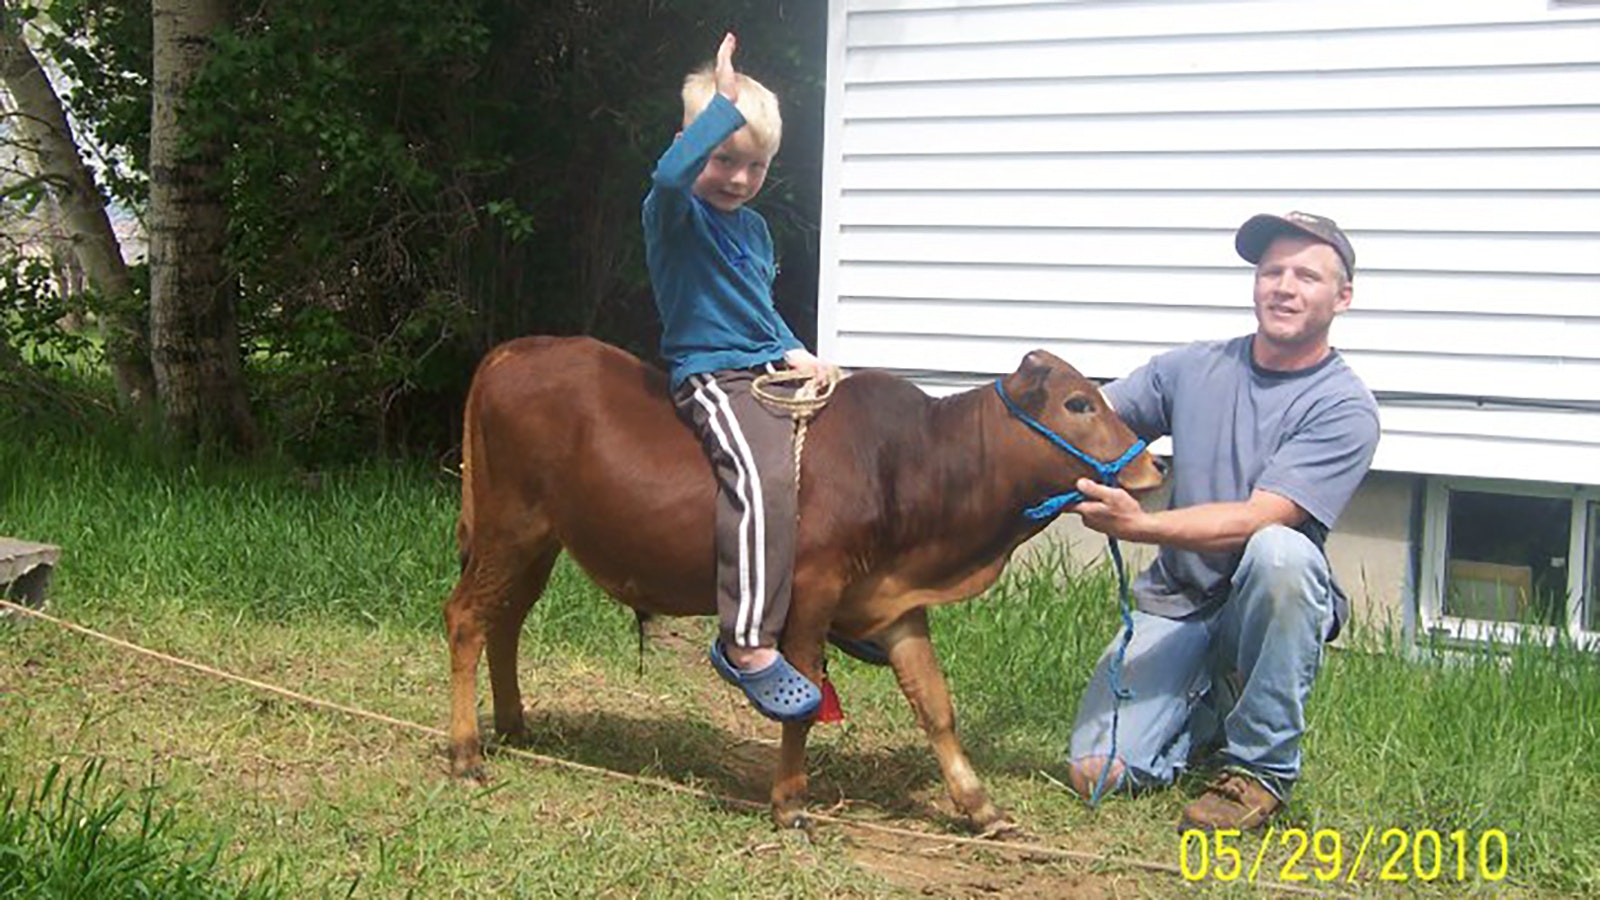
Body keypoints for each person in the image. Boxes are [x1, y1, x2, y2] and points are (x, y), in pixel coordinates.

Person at [1065, 211, 1380, 831]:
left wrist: (1141, 525)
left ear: (1342, 297)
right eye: (1272, 272)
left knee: (1280, 553)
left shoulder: (1344, 406)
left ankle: (1261, 770)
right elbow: (1089, 420)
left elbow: (1260, 518)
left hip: (1259, 603)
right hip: (1177, 599)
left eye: (1307, 276)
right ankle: (1211, 709)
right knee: (1099, 774)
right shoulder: (1190, 367)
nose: (1284, 287)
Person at [643, 33, 836, 722]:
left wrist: (795, 351)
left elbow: (761, 310)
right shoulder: (674, 213)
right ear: (691, 145)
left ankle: (840, 607)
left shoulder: (753, 231)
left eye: (753, 166)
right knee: (762, 479)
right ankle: (747, 642)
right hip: (712, 376)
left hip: (763, 369)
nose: (736, 178)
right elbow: (671, 176)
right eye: (723, 158)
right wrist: (721, 104)